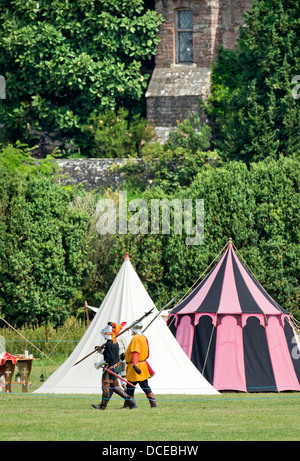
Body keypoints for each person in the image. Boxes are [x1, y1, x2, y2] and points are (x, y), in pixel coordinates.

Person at [92, 322, 135, 410]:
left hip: (109, 370)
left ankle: (102, 406)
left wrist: (98, 364)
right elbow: (111, 354)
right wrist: (101, 351)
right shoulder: (114, 342)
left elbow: (108, 359)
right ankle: (130, 401)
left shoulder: (109, 344)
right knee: (115, 388)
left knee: (105, 388)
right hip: (115, 368)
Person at [123, 320, 157, 408]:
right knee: (144, 385)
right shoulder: (143, 337)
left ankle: (130, 404)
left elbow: (135, 352)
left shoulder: (136, 338)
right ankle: (153, 404)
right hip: (142, 365)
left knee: (130, 386)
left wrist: (135, 365)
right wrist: (126, 355)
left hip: (136, 366)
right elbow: (146, 353)